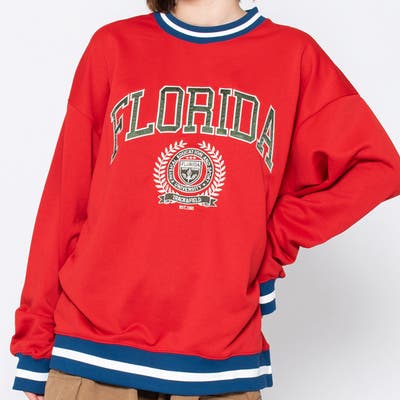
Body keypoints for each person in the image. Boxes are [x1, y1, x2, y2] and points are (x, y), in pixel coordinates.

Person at [10, 0, 400, 399]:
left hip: (220, 361)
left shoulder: (293, 54)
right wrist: (34, 347)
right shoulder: (114, 46)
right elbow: (64, 202)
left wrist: (271, 242)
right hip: (92, 354)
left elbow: (377, 167)